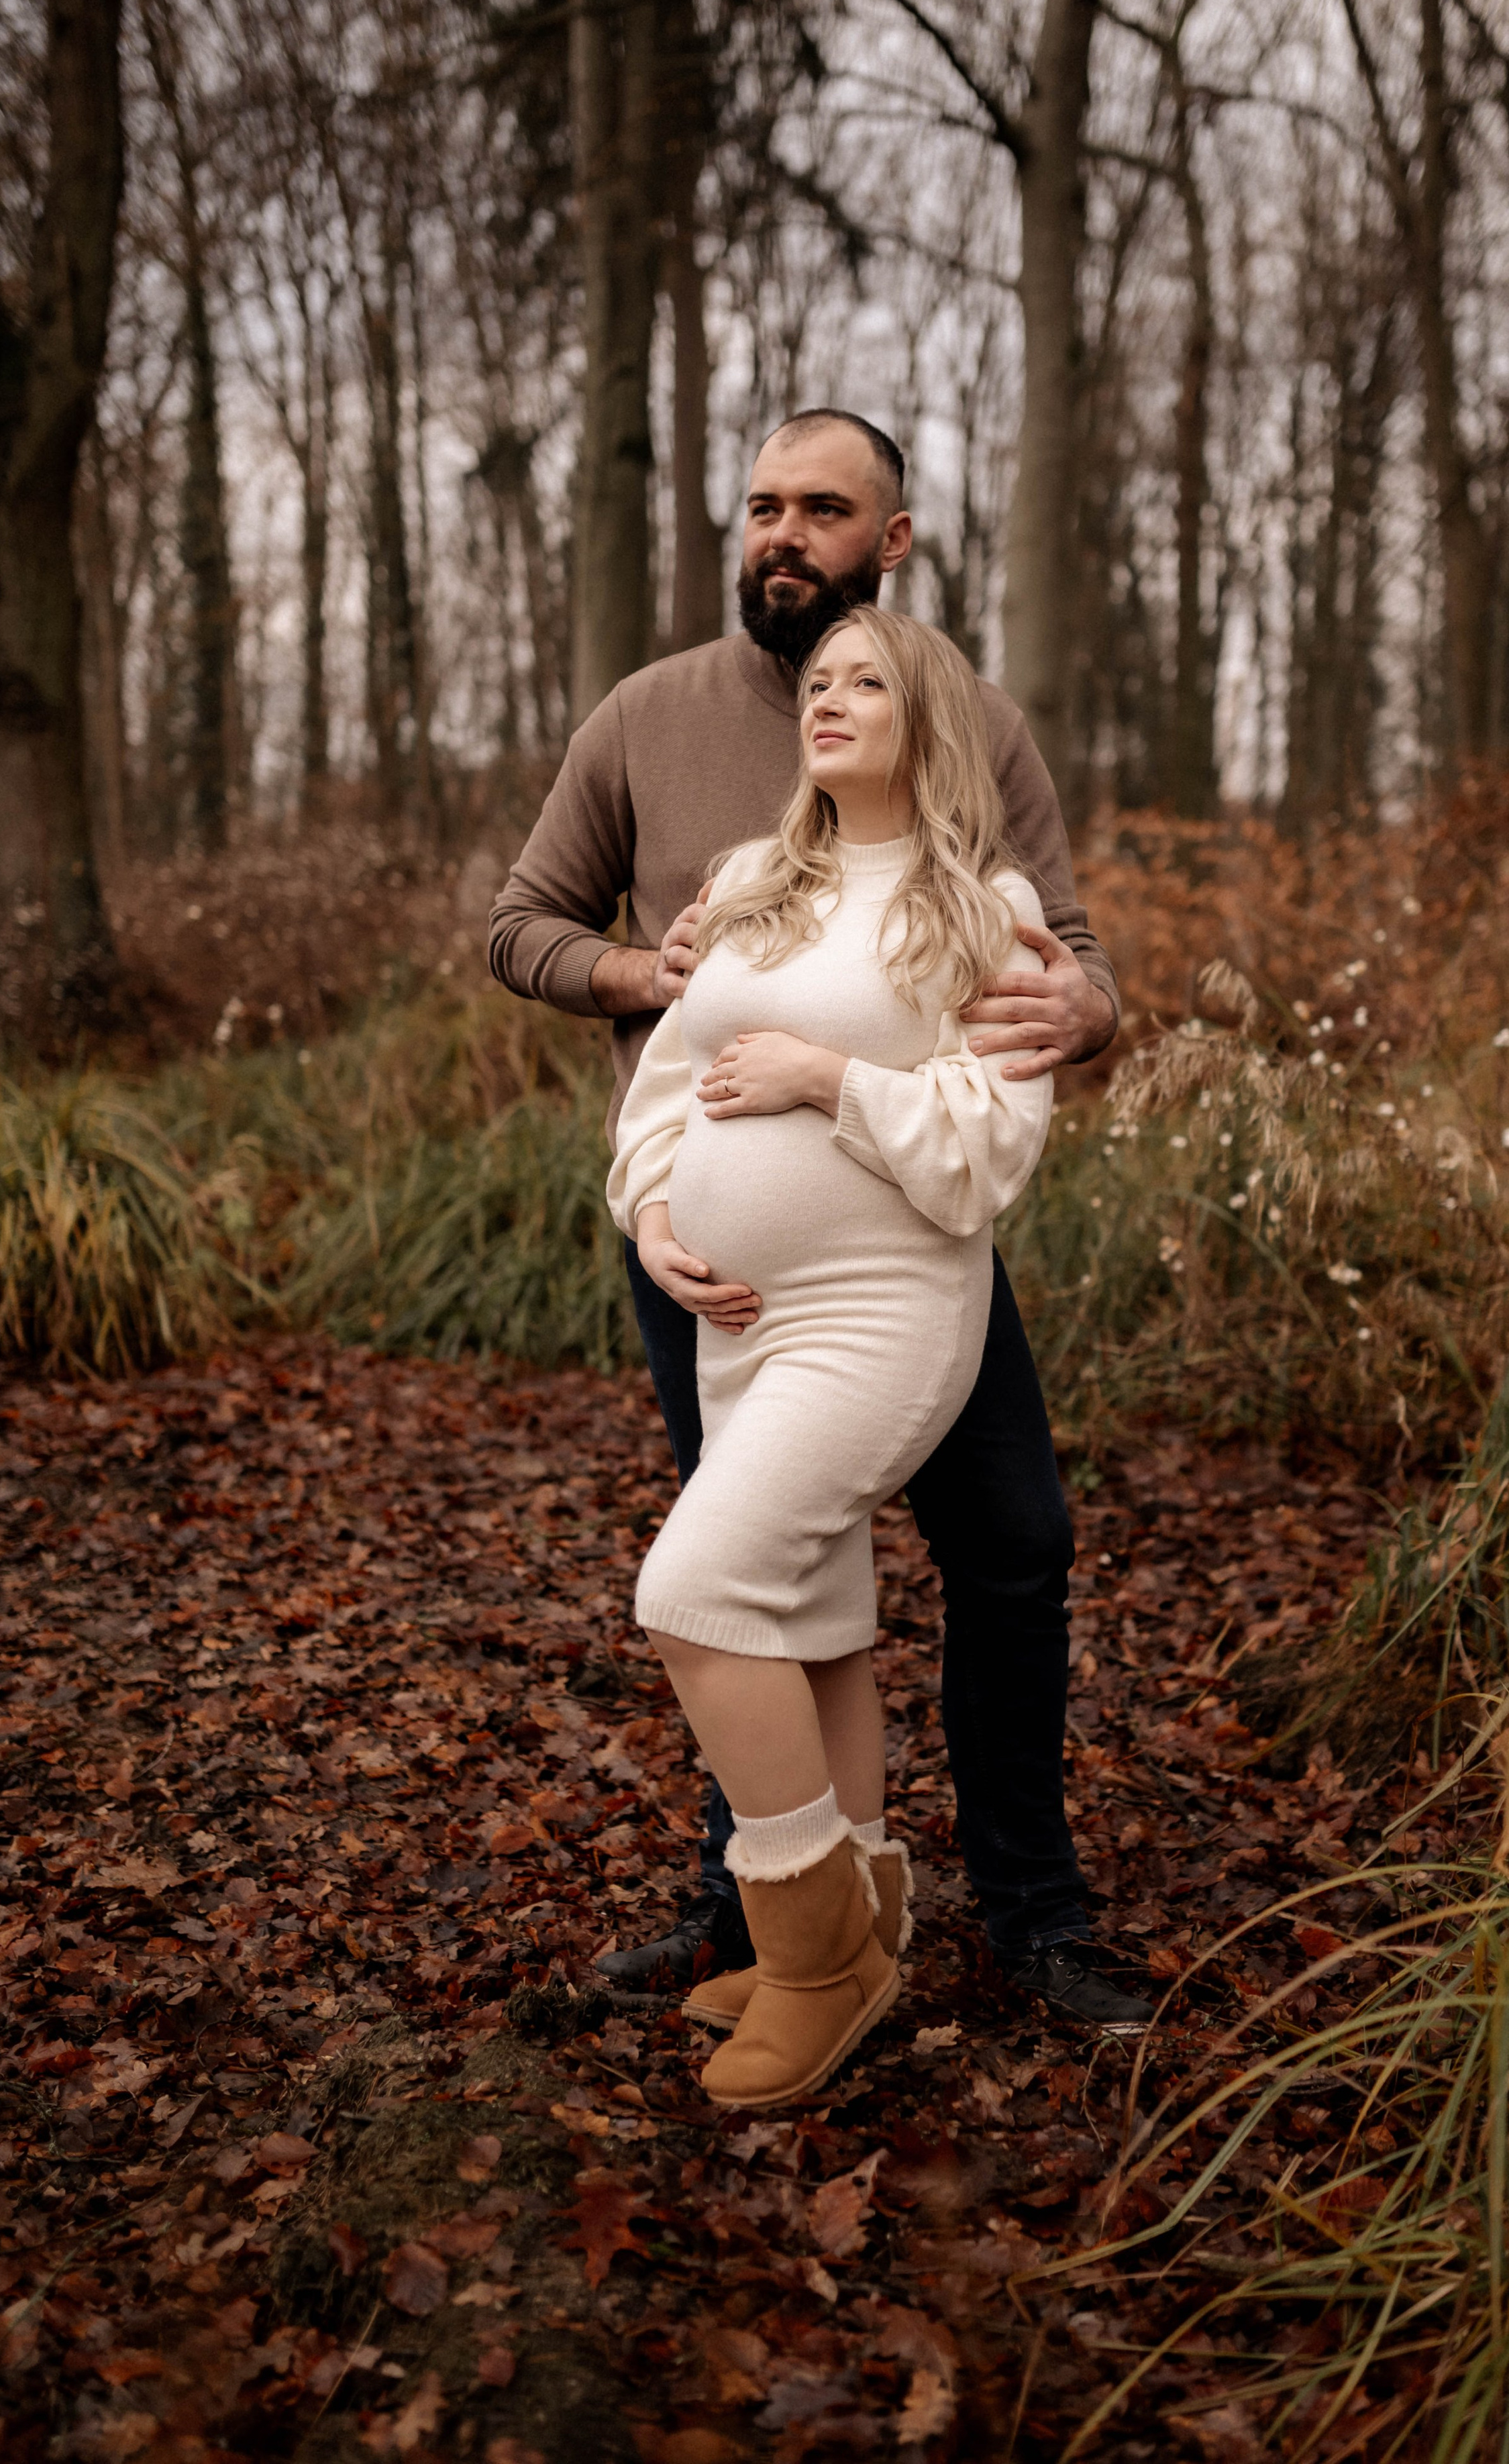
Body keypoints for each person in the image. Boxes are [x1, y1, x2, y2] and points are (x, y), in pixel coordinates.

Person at [490, 409, 1147, 2030]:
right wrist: (648, 974)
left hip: (907, 1260)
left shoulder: (969, 723)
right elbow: (523, 926)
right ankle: (762, 1919)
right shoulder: (647, 715)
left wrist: (1090, 1014)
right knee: (767, 1569)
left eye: (824, 509)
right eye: (763, 505)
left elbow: (1056, 955)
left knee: (1011, 1548)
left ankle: (1029, 1908)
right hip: (703, 1258)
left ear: (891, 540)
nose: (783, 534)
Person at [608, 607, 1059, 2104]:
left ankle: (813, 1966)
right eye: (817, 681)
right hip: (738, 1320)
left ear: (928, 718)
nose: (829, 699)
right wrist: (654, 1212)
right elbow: (667, 1083)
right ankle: (861, 1918)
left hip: (880, 1312)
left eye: (867, 681)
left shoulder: (985, 910)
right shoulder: (749, 883)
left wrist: (826, 1078)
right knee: (810, 1618)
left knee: (691, 1592)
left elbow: (989, 1148)